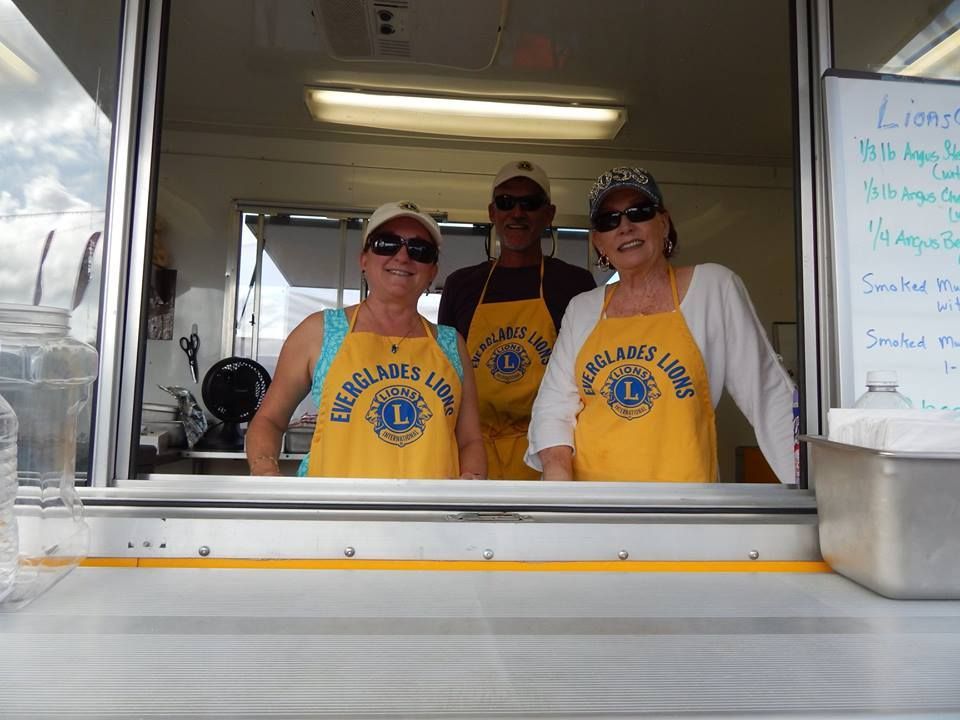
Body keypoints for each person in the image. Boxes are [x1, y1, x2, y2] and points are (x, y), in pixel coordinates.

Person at [525, 167, 795, 484]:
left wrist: (814, 489)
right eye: (609, 220)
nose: (625, 227)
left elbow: (770, 395)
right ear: (599, 242)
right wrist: (559, 483)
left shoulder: (713, 287)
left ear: (663, 223)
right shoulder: (582, 309)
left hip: (683, 502)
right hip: (594, 503)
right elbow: (553, 407)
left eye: (638, 212)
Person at [246, 201, 486, 480]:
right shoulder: (318, 331)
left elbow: (470, 440)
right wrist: (265, 471)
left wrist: (471, 483)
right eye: (386, 244)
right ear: (364, 259)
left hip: (428, 508)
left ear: (433, 271)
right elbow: (269, 420)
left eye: (420, 250)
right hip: (334, 507)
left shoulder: (451, 344)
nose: (402, 256)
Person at [438, 160, 596, 480]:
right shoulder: (461, 285)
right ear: (492, 212)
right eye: (506, 202)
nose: (517, 212)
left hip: (549, 455)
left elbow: (587, 378)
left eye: (530, 203)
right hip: (474, 456)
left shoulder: (575, 284)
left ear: (549, 214)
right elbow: (447, 375)